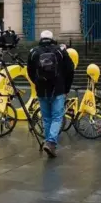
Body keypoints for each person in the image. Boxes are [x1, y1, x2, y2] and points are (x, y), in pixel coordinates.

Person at [27, 30, 74, 158]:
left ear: (41, 38)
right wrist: (66, 87)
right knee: (57, 117)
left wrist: (37, 82)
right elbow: (70, 69)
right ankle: (51, 142)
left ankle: (49, 142)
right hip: (58, 89)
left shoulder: (33, 52)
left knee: (46, 118)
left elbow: (30, 71)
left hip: (41, 89)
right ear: (52, 38)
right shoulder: (60, 51)